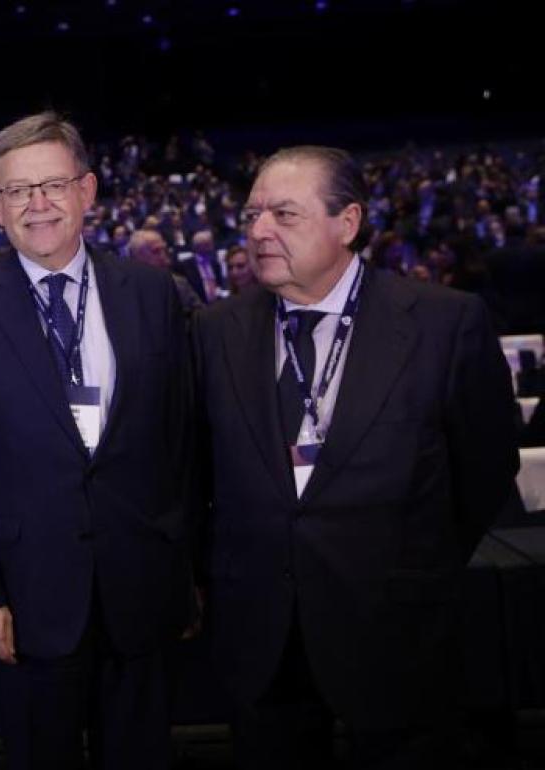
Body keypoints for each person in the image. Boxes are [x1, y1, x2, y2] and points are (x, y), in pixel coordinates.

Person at [192, 146, 521, 769]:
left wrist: (415, 558)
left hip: (399, 626)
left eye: (284, 214)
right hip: (264, 635)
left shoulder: (443, 323)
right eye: (253, 214)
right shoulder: (214, 331)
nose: (259, 231)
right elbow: (201, 471)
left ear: (348, 223)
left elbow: (485, 465)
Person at [0, 112, 192, 770]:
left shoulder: (155, 293)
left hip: (140, 588)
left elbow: (182, 445)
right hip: (24, 600)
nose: (36, 204)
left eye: (52, 185)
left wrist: (186, 570)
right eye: (17, 191)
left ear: (88, 190)